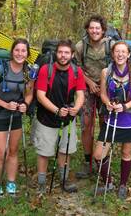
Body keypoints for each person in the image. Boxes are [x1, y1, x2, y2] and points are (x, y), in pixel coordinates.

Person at [92, 41, 131, 200]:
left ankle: (122, 184)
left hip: (129, 118)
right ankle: (108, 182)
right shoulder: (105, 72)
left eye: (123, 52)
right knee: (98, 154)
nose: (120, 54)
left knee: (126, 152)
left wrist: (125, 106)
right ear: (113, 54)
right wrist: (107, 102)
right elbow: (102, 93)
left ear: (128, 54)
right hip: (111, 118)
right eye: (117, 51)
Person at [32, 39, 85, 193]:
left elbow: (80, 94)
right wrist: (56, 110)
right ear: (56, 53)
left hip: (68, 118)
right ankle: (42, 184)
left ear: (72, 54)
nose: (63, 56)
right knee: (44, 152)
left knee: (65, 150)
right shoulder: (45, 70)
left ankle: (64, 180)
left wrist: (76, 108)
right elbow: (40, 95)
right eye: (60, 52)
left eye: (66, 53)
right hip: (46, 118)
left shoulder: (77, 71)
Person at [0, 38, 34, 200]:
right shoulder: (0, 69)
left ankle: (11, 184)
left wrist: (25, 104)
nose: (20, 53)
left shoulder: (28, 72)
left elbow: (29, 93)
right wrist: (5, 105)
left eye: (23, 51)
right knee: (2, 153)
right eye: (17, 50)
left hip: (16, 115)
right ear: (12, 52)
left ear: (27, 54)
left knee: (13, 151)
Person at [74, 15, 115, 178]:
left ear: (103, 30)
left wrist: (103, 87)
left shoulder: (110, 45)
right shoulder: (80, 46)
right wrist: (90, 83)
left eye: (97, 28)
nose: (94, 31)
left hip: (106, 89)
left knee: (105, 123)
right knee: (86, 125)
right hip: (86, 87)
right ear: (87, 29)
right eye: (91, 28)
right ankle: (87, 161)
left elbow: (117, 65)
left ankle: (102, 160)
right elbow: (76, 68)